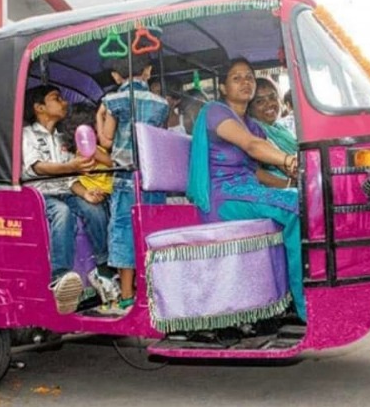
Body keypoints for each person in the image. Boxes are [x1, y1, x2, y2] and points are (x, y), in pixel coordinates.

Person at [187, 58, 305, 320]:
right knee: (296, 208)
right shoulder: (215, 111)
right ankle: (303, 304)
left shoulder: (252, 124)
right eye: (236, 78)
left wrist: (293, 173)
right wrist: (288, 162)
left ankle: (287, 295)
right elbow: (252, 147)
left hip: (246, 191)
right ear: (223, 87)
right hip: (224, 196)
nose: (245, 82)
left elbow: (260, 166)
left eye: (249, 77)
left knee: (302, 198)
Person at [22, 85, 112, 314]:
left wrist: (86, 193)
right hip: (41, 193)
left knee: (94, 208)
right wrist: (69, 166)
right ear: (39, 107)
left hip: (66, 189)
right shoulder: (27, 134)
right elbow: (37, 167)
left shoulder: (62, 137)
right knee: (62, 213)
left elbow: (71, 179)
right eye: (56, 98)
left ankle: (104, 265)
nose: (64, 103)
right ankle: (59, 277)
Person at [99, 54, 169, 313]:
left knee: (123, 233)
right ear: (149, 71)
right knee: (152, 231)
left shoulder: (113, 101)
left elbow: (106, 141)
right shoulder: (160, 103)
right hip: (153, 180)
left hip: (125, 178)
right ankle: (153, 290)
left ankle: (127, 295)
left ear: (116, 77)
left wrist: (100, 116)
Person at [247, 77, 297, 183]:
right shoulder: (254, 130)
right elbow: (291, 170)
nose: (270, 104)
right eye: (260, 101)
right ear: (249, 108)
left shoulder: (279, 128)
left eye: (272, 97)